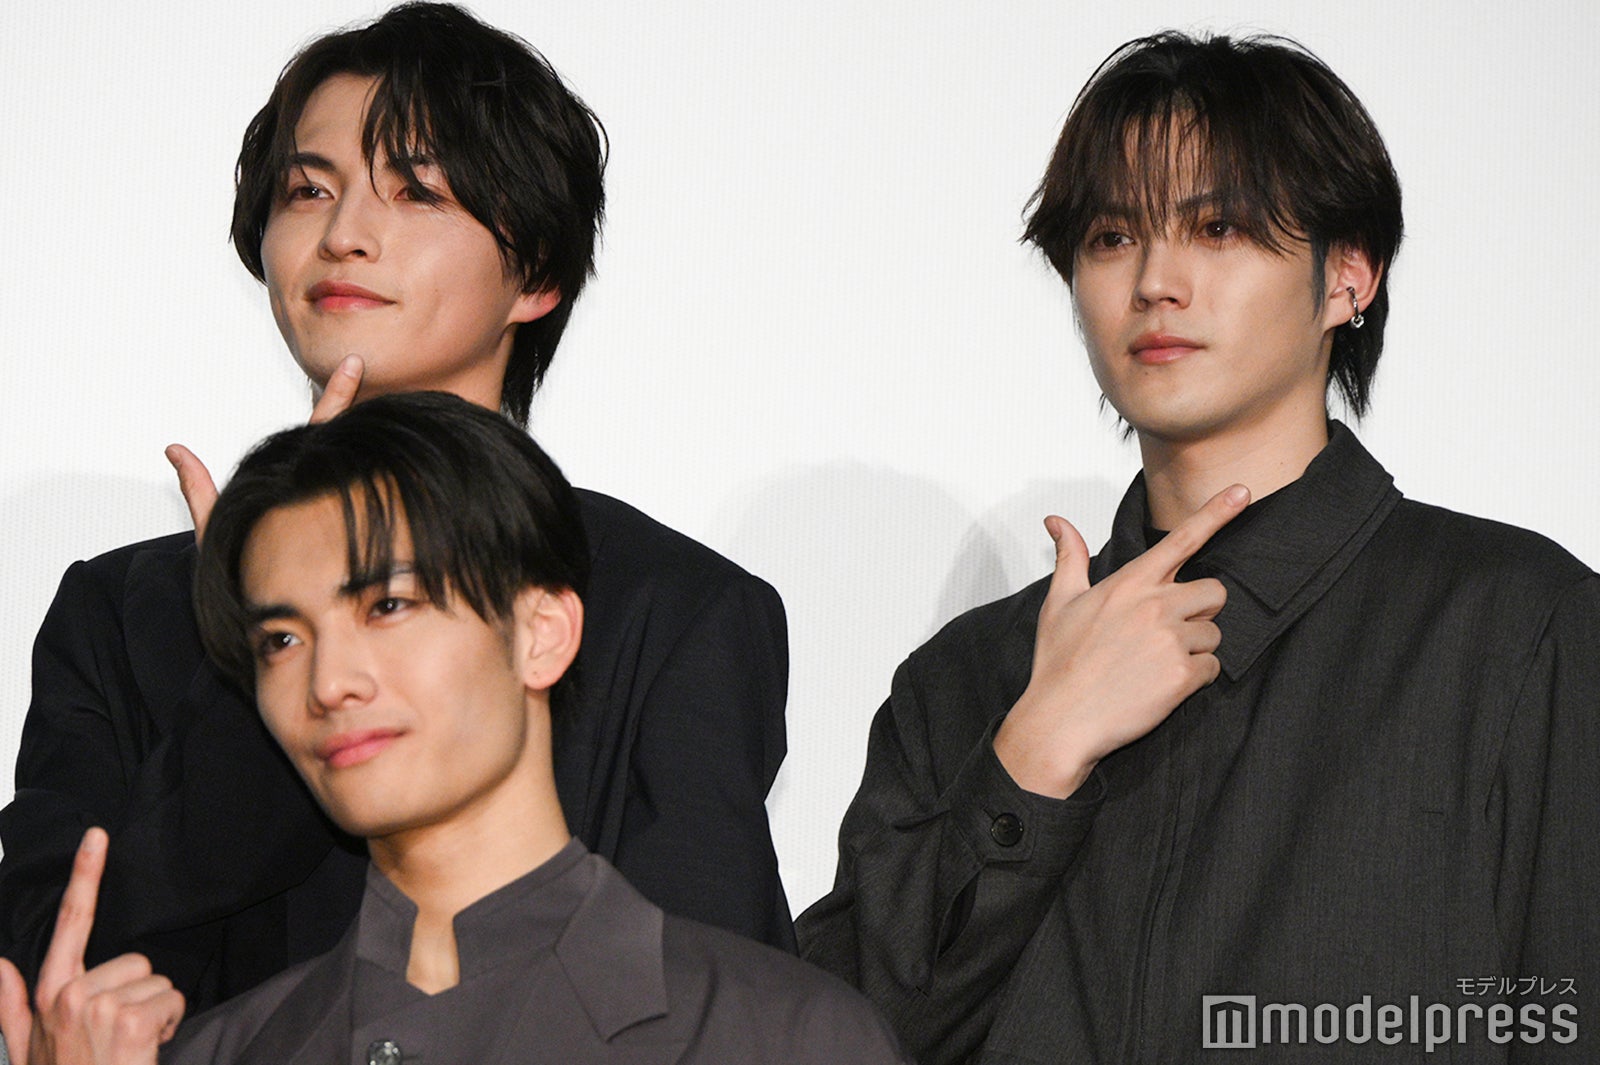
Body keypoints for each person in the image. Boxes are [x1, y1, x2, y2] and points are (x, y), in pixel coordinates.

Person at [797, 31, 1596, 1062]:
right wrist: (1033, 755)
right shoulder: (965, 679)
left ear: (1347, 277)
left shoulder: (1517, 627)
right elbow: (825, 1036)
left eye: (1217, 228)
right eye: (1111, 237)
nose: (1155, 282)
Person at [0, 1, 793, 1021]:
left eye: (417, 192)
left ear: (536, 273)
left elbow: (714, 1007)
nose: (343, 236)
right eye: (308, 189)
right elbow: (51, 980)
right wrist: (248, 656)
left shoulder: (669, 606)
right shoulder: (124, 609)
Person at [0, 393, 906, 1065]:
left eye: (388, 605)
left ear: (542, 632)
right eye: (280, 638)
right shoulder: (226, 1048)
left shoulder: (786, 1036)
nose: (328, 680)